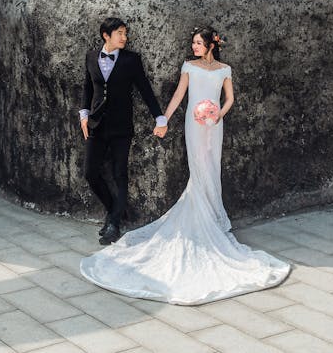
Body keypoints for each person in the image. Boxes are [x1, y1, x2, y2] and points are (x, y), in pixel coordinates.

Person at [80, 25, 291, 305]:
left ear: (210, 45)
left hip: (214, 124)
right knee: (199, 166)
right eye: (192, 43)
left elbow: (230, 98)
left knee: (212, 166)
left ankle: (215, 214)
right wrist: (163, 119)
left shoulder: (224, 69)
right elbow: (179, 95)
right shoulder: (188, 66)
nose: (194, 47)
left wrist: (218, 114)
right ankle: (203, 214)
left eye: (198, 43)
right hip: (194, 124)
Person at [80, 16, 168, 245]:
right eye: (120, 33)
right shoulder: (91, 57)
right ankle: (114, 211)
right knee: (90, 172)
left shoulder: (131, 60)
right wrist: (83, 114)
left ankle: (114, 224)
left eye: (125, 33)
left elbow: (145, 90)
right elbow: (88, 88)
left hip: (121, 126)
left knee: (120, 173)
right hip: (96, 125)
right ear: (106, 35)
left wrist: (159, 117)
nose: (125, 37)